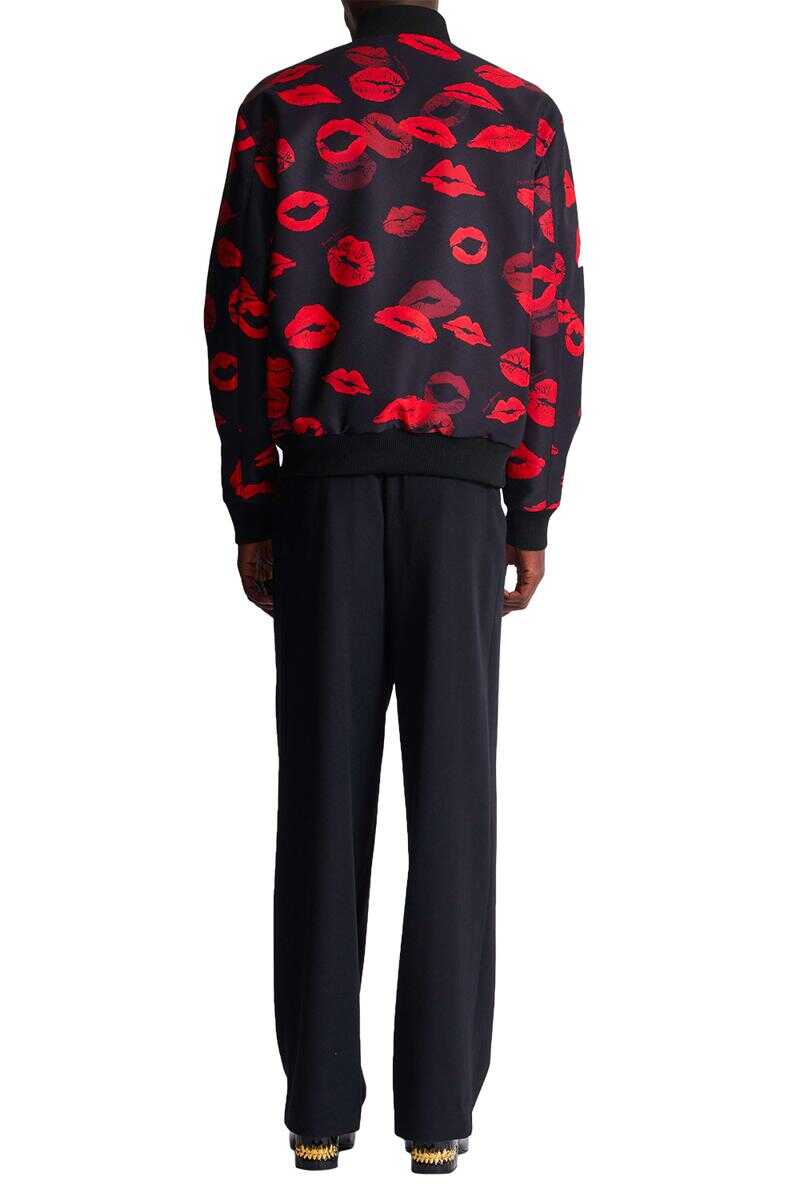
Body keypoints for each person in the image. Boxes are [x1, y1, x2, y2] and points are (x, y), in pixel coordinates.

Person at [204, 0, 584, 1174]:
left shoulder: (283, 106)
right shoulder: (521, 114)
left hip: (319, 488)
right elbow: (551, 314)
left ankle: (318, 1111)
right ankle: (437, 1118)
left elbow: (237, 316)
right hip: (464, 497)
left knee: (323, 795)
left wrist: (253, 502)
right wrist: (530, 502)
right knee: (454, 801)